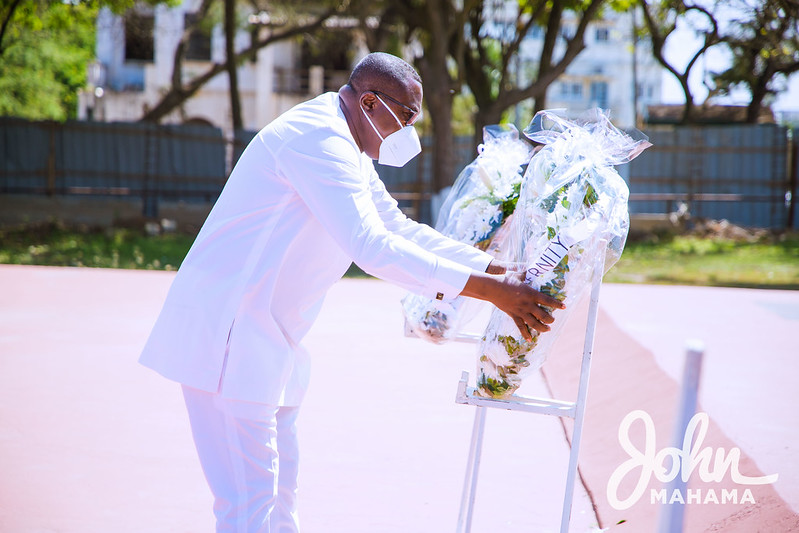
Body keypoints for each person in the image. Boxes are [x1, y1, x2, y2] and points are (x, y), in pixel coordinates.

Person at [139, 52, 564, 532]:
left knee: (278, 499)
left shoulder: (347, 145)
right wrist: (492, 291)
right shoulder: (320, 140)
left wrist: (496, 268)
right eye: (406, 117)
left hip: (263, 342)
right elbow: (371, 246)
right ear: (369, 102)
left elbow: (397, 228)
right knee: (248, 504)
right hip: (228, 338)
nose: (410, 132)